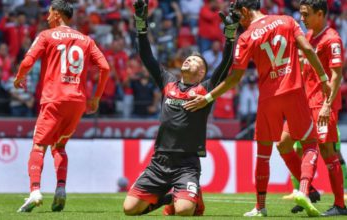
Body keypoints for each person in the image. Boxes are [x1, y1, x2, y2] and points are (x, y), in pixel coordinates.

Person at [183, 0, 330, 217]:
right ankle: (304, 190)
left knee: (263, 154)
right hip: (294, 91)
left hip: (268, 97)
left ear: (244, 10)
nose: (238, 21)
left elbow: (235, 78)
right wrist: (324, 77)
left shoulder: (246, 37)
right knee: (310, 143)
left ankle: (260, 207)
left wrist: (208, 97)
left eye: (237, 15)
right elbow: (307, 48)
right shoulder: (287, 20)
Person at [122, 0, 239, 216]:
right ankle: (170, 195)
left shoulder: (206, 89)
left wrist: (230, 36)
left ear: (202, 73)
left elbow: (225, 64)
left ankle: (188, 197)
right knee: (129, 209)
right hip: (159, 161)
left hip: (187, 163)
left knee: (185, 211)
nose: (188, 60)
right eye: (188, 58)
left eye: (195, 61)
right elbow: (147, 57)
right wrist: (141, 24)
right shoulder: (168, 81)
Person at [14, 0, 110, 212]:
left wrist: (19, 77)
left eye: (49, 13)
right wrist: (95, 98)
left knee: (39, 145)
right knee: (59, 146)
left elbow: (28, 61)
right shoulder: (86, 39)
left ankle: (35, 191)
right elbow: (105, 67)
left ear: (57, 14)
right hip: (77, 101)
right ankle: (60, 189)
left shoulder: (46, 36)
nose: (47, 17)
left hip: (54, 99)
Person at [277, 0, 347, 216]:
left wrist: (327, 106)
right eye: (301, 14)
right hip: (303, 103)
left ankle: (340, 205)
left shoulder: (332, 39)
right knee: (283, 144)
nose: (302, 18)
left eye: (306, 14)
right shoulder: (307, 37)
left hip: (321, 104)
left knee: (328, 152)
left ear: (320, 14)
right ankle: (310, 191)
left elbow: (337, 76)